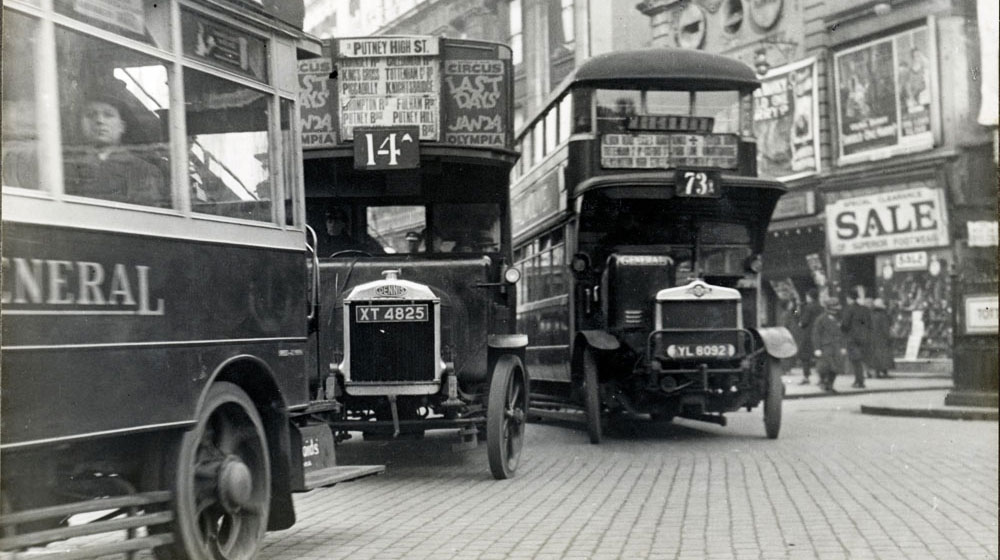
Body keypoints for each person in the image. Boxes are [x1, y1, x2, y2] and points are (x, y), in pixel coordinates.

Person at [63, 91, 168, 207]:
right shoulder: (66, 167)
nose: (99, 121)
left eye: (108, 115)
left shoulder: (143, 171)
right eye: (91, 115)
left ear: (121, 126)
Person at [812, 296, 848, 393]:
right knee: (825, 366)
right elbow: (816, 334)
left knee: (836, 367)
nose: (835, 310)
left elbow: (843, 333)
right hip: (825, 346)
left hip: (837, 346)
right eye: (833, 308)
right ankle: (823, 382)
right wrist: (817, 348)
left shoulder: (839, 318)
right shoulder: (821, 319)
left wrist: (843, 346)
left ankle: (830, 385)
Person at [316, 207, 382, 256]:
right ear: (326, 223)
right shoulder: (319, 244)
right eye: (330, 221)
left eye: (337, 221)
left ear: (343, 224)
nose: (332, 224)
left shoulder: (353, 244)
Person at [840, 285, 872, 388]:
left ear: (849, 298)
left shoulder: (849, 309)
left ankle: (859, 381)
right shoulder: (865, 309)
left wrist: (843, 332)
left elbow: (845, 324)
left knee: (855, 361)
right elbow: (870, 324)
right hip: (864, 337)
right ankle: (860, 379)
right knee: (861, 359)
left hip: (852, 337)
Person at [796, 288, 823, 385]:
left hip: (808, 334)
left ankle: (806, 376)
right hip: (819, 334)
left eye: (807, 296)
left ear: (810, 297)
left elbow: (803, 321)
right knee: (819, 357)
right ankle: (821, 378)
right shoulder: (821, 307)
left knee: (805, 356)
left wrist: (797, 311)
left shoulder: (807, 307)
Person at [869, 298, 895, 378]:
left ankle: (877, 372)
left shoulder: (871, 315)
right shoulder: (883, 316)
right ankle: (884, 372)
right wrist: (889, 336)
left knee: (876, 355)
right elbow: (885, 328)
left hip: (873, 338)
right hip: (882, 339)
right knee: (884, 356)